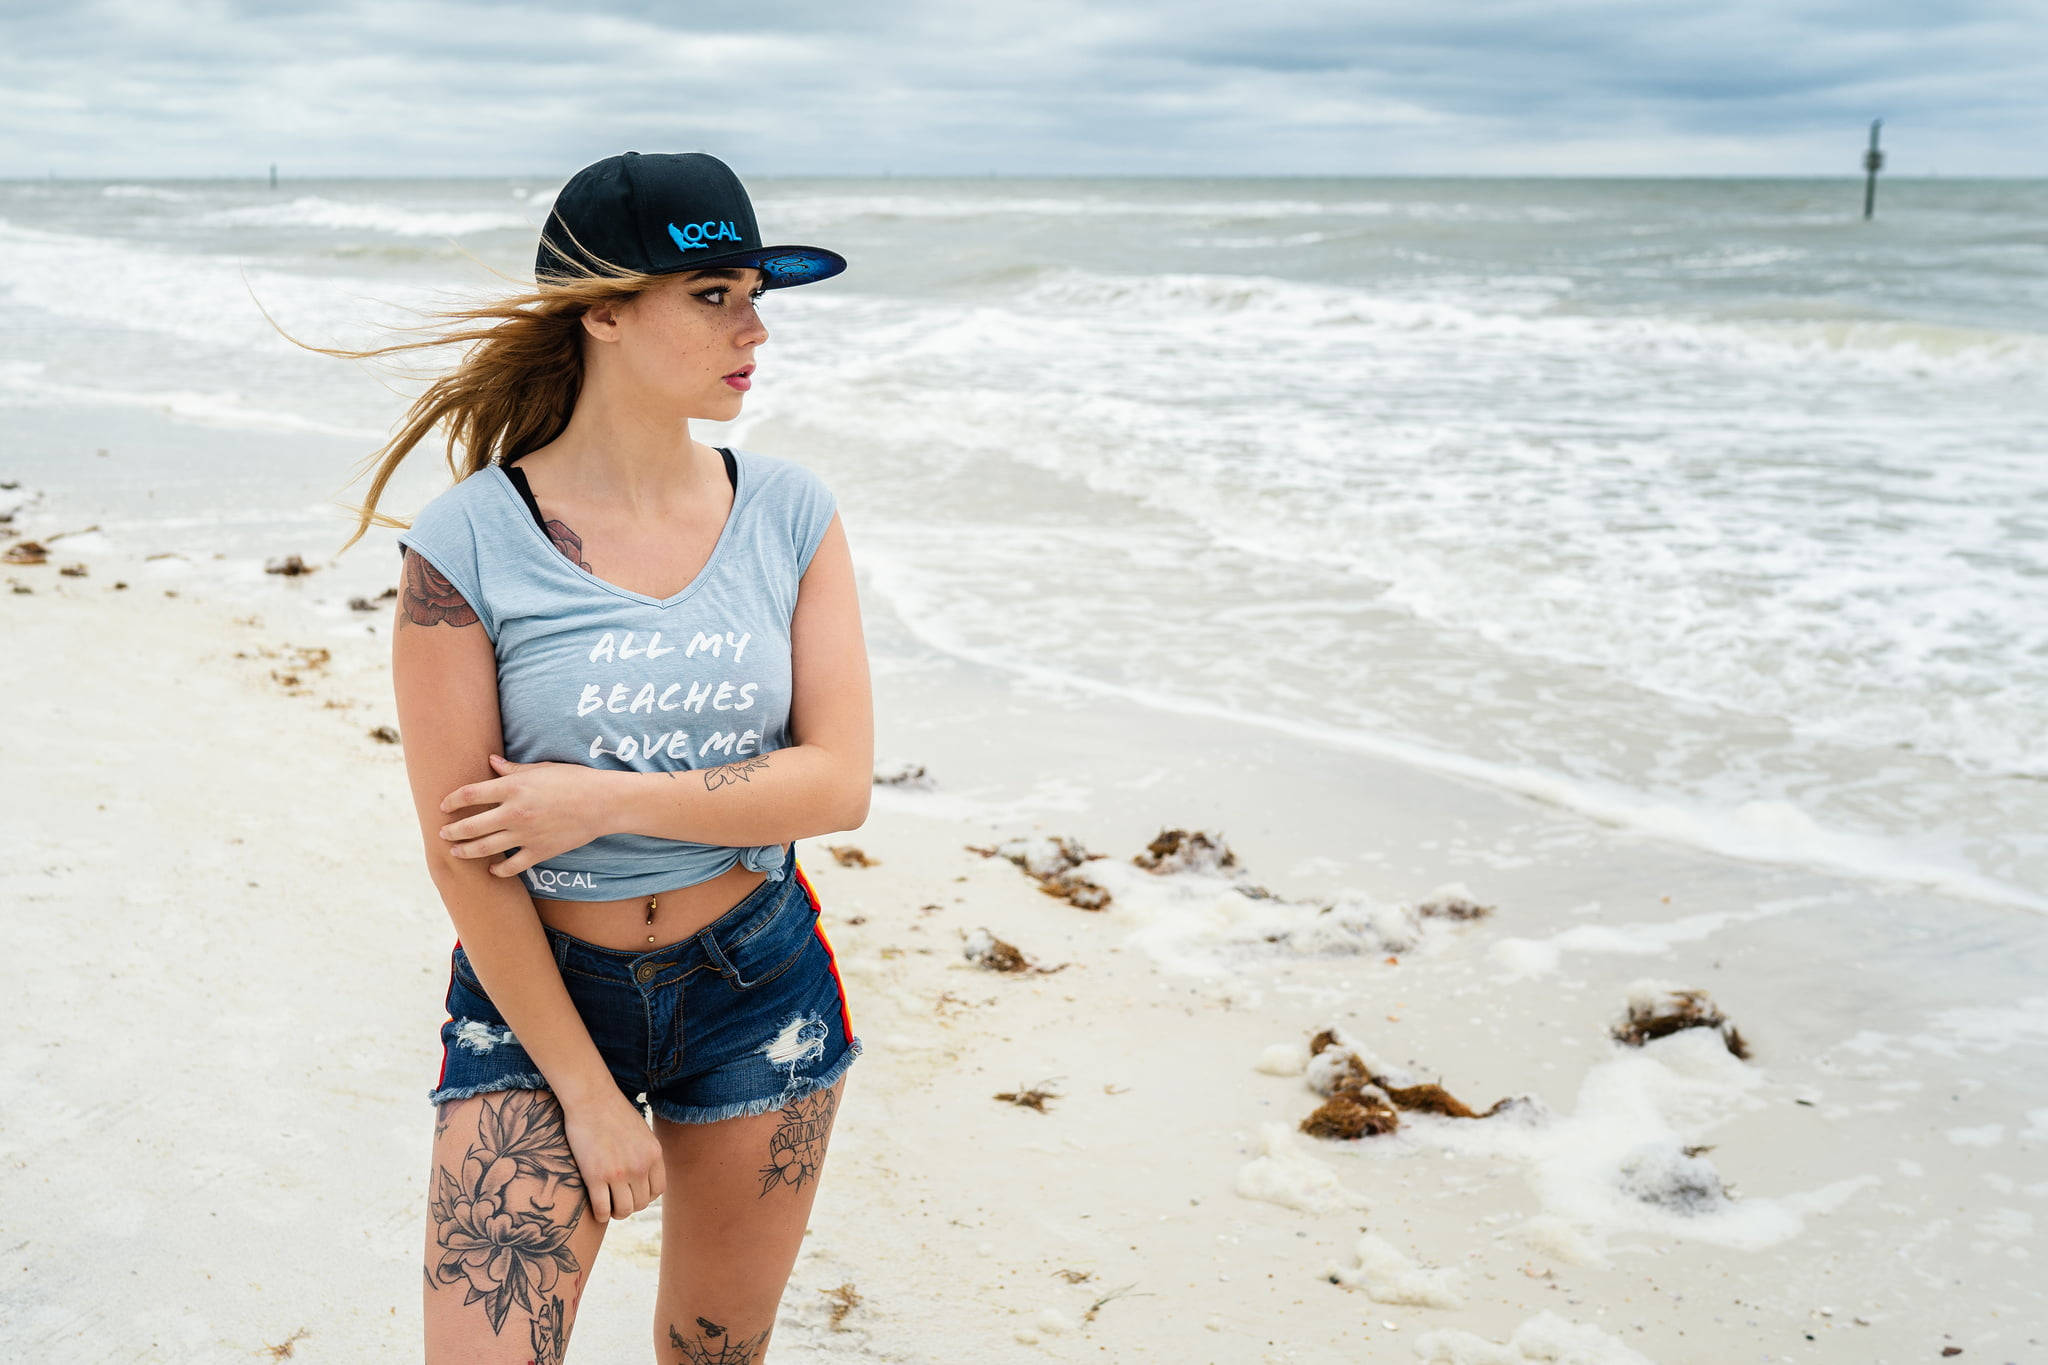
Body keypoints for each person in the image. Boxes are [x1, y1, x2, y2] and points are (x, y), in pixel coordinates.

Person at [316, 151, 870, 1363]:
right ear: (604, 310)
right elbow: (464, 850)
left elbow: (836, 784)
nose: (755, 328)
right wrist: (580, 1089)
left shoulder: (788, 511)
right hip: (536, 999)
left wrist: (599, 802)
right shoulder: (470, 537)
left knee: (712, 1351)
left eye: (755, 293)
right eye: (713, 294)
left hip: (754, 984)